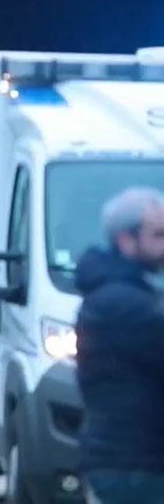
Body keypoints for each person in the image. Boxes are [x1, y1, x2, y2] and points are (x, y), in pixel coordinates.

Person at [75, 187, 164, 503]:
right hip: (135, 469)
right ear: (127, 240)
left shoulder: (119, 292)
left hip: (125, 462)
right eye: (158, 235)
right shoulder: (124, 303)